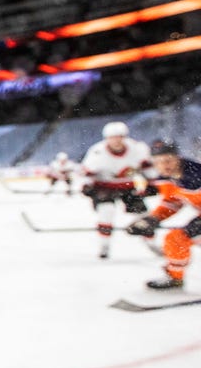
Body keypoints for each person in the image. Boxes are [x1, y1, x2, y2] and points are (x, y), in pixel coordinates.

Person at [127, 141, 201, 290]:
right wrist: (152, 219)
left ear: (178, 158)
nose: (164, 165)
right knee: (175, 239)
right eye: (158, 162)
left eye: (168, 160)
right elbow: (172, 202)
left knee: (181, 236)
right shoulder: (166, 178)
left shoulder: (195, 175)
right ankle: (175, 278)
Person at [81, 121, 153, 259]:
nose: (116, 141)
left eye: (119, 137)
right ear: (107, 139)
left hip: (128, 186)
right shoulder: (97, 152)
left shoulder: (136, 148)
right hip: (104, 187)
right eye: (112, 137)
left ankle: (151, 242)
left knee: (143, 214)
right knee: (106, 211)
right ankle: (104, 245)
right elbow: (86, 173)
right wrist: (86, 186)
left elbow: (148, 168)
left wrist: (152, 182)